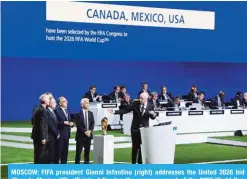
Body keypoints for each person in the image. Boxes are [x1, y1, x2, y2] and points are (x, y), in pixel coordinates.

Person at [108, 92, 157, 164]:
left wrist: (154, 115)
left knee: (142, 148)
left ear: (147, 98)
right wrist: (114, 111)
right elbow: (126, 110)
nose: (140, 99)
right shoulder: (135, 103)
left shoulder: (151, 105)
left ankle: (140, 164)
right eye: (140, 97)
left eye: (142, 98)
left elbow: (152, 117)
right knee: (135, 148)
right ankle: (133, 164)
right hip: (135, 129)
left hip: (144, 130)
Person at [31, 93, 50, 164]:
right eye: (48, 98)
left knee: (37, 155)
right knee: (40, 155)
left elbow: (33, 121)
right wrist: (43, 138)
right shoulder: (43, 110)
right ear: (43, 100)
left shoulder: (37, 108)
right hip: (40, 137)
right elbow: (42, 125)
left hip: (36, 136)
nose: (49, 100)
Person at [75, 98, 95, 164]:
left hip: (88, 136)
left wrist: (90, 131)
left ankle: (86, 165)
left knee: (87, 152)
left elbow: (92, 123)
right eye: (86, 103)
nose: (88, 104)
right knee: (78, 152)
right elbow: (78, 125)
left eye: (88, 103)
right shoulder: (78, 114)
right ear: (82, 104)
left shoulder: (91, 113)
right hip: (80, 136)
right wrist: (85, 132)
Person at [54, 96, 74, 164]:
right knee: (58, 153)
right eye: (64, 101)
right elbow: (55, 123)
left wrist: (72, 124)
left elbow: (69, 121)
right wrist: (63, 122)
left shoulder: (67, 110)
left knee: (65, 153)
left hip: (67, 135)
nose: (67, 102)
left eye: (66, 101)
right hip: (60, 135)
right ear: (60, 103)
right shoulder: (56, 111)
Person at [47, 97, 59, 164]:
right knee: (50, 156)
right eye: (54, 102)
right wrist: (57, 133)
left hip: (53, 137)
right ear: (49, 103)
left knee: (53, 155)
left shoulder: (52, 111)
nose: (56, 104)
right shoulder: (47, 111)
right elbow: (50, 125)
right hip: (50, 137)